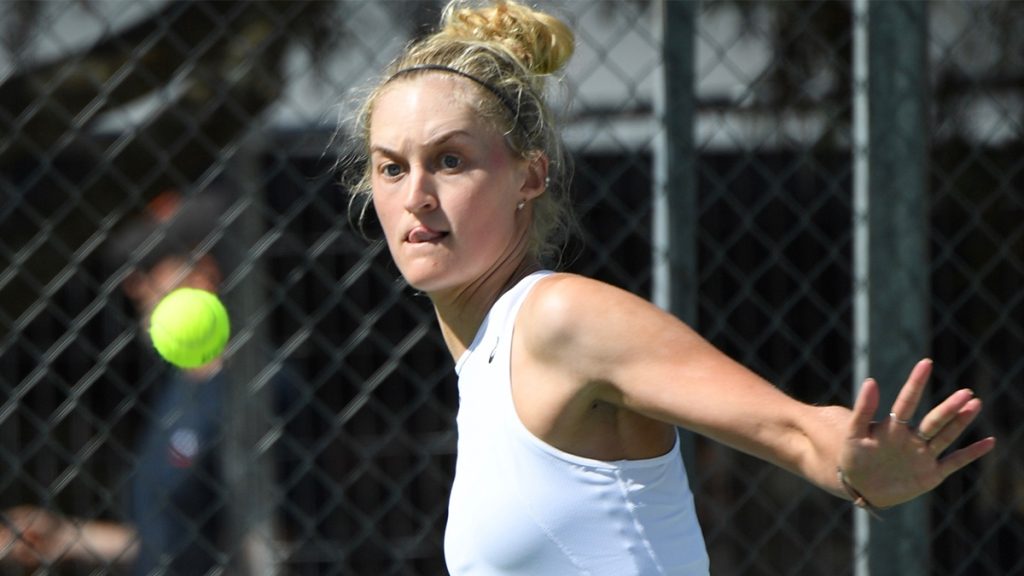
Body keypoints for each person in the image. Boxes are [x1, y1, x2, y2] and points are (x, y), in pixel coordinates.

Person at [340, 1, 997, 574]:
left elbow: (790, 426)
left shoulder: (558, 318)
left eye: (450, 160)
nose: (416, 194)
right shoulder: (485, 361)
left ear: (529, 177)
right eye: (392, 168)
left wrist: (849, 463)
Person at [3, 191, 242, 575]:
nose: (133, 286)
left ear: (203, 272)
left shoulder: (256, 394)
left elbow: (278, 540)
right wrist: (62, 535)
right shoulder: (175, 393)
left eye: (149, 268)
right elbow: (163, 543)